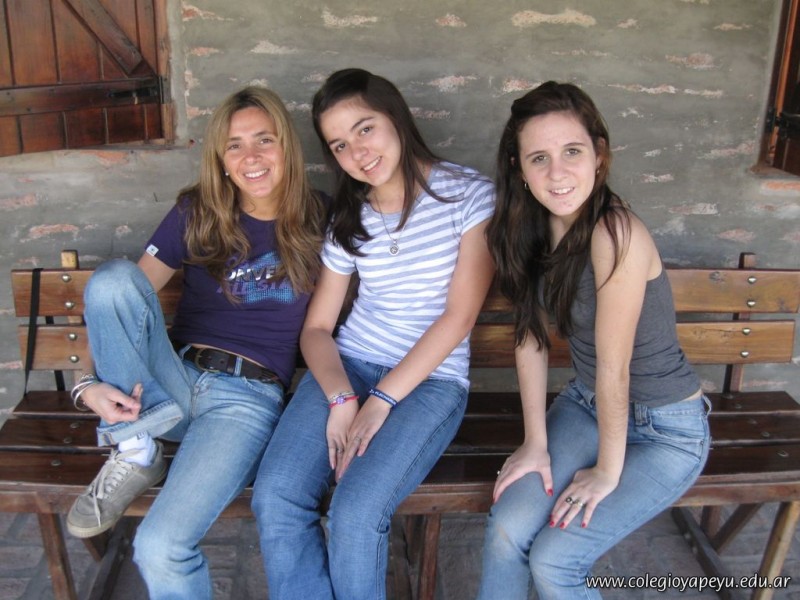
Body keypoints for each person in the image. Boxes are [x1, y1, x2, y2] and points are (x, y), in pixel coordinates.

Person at [64, 86, 326, 599]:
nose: (251, 157)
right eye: (234, 145)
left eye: (264, 140)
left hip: (245, 401)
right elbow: (125, 301)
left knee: (159, 547)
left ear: (287, 146)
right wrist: (87, 384)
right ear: (221, 160)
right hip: (170, 382)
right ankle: (136, 448)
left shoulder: (323, 218)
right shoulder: (198, 211)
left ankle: (137, 445)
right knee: (112, 277)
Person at [251, 68, 496, 600]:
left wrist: (380, 400)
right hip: (351, 366)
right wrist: (342, 397)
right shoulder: (350, 217)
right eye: (340, 144)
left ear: (396, 118)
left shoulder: (469, 196)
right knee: (276, 496)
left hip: (431, 383)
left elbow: (458, 318)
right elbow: (318, 328)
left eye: (365, 129)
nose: (357, 153)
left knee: (356, 514)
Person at [477, 81, 711, 599]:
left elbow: (614, 368)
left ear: (599, 155)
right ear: (519, 168)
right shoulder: (532, 229)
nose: (557, 173)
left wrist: (607, 471)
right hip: (588, 405)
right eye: (539, 158)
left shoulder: (615, 233)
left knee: (554, 562)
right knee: (507, 528)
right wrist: (535, 442)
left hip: (665, 430)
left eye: (572, 151)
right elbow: (531, 338)